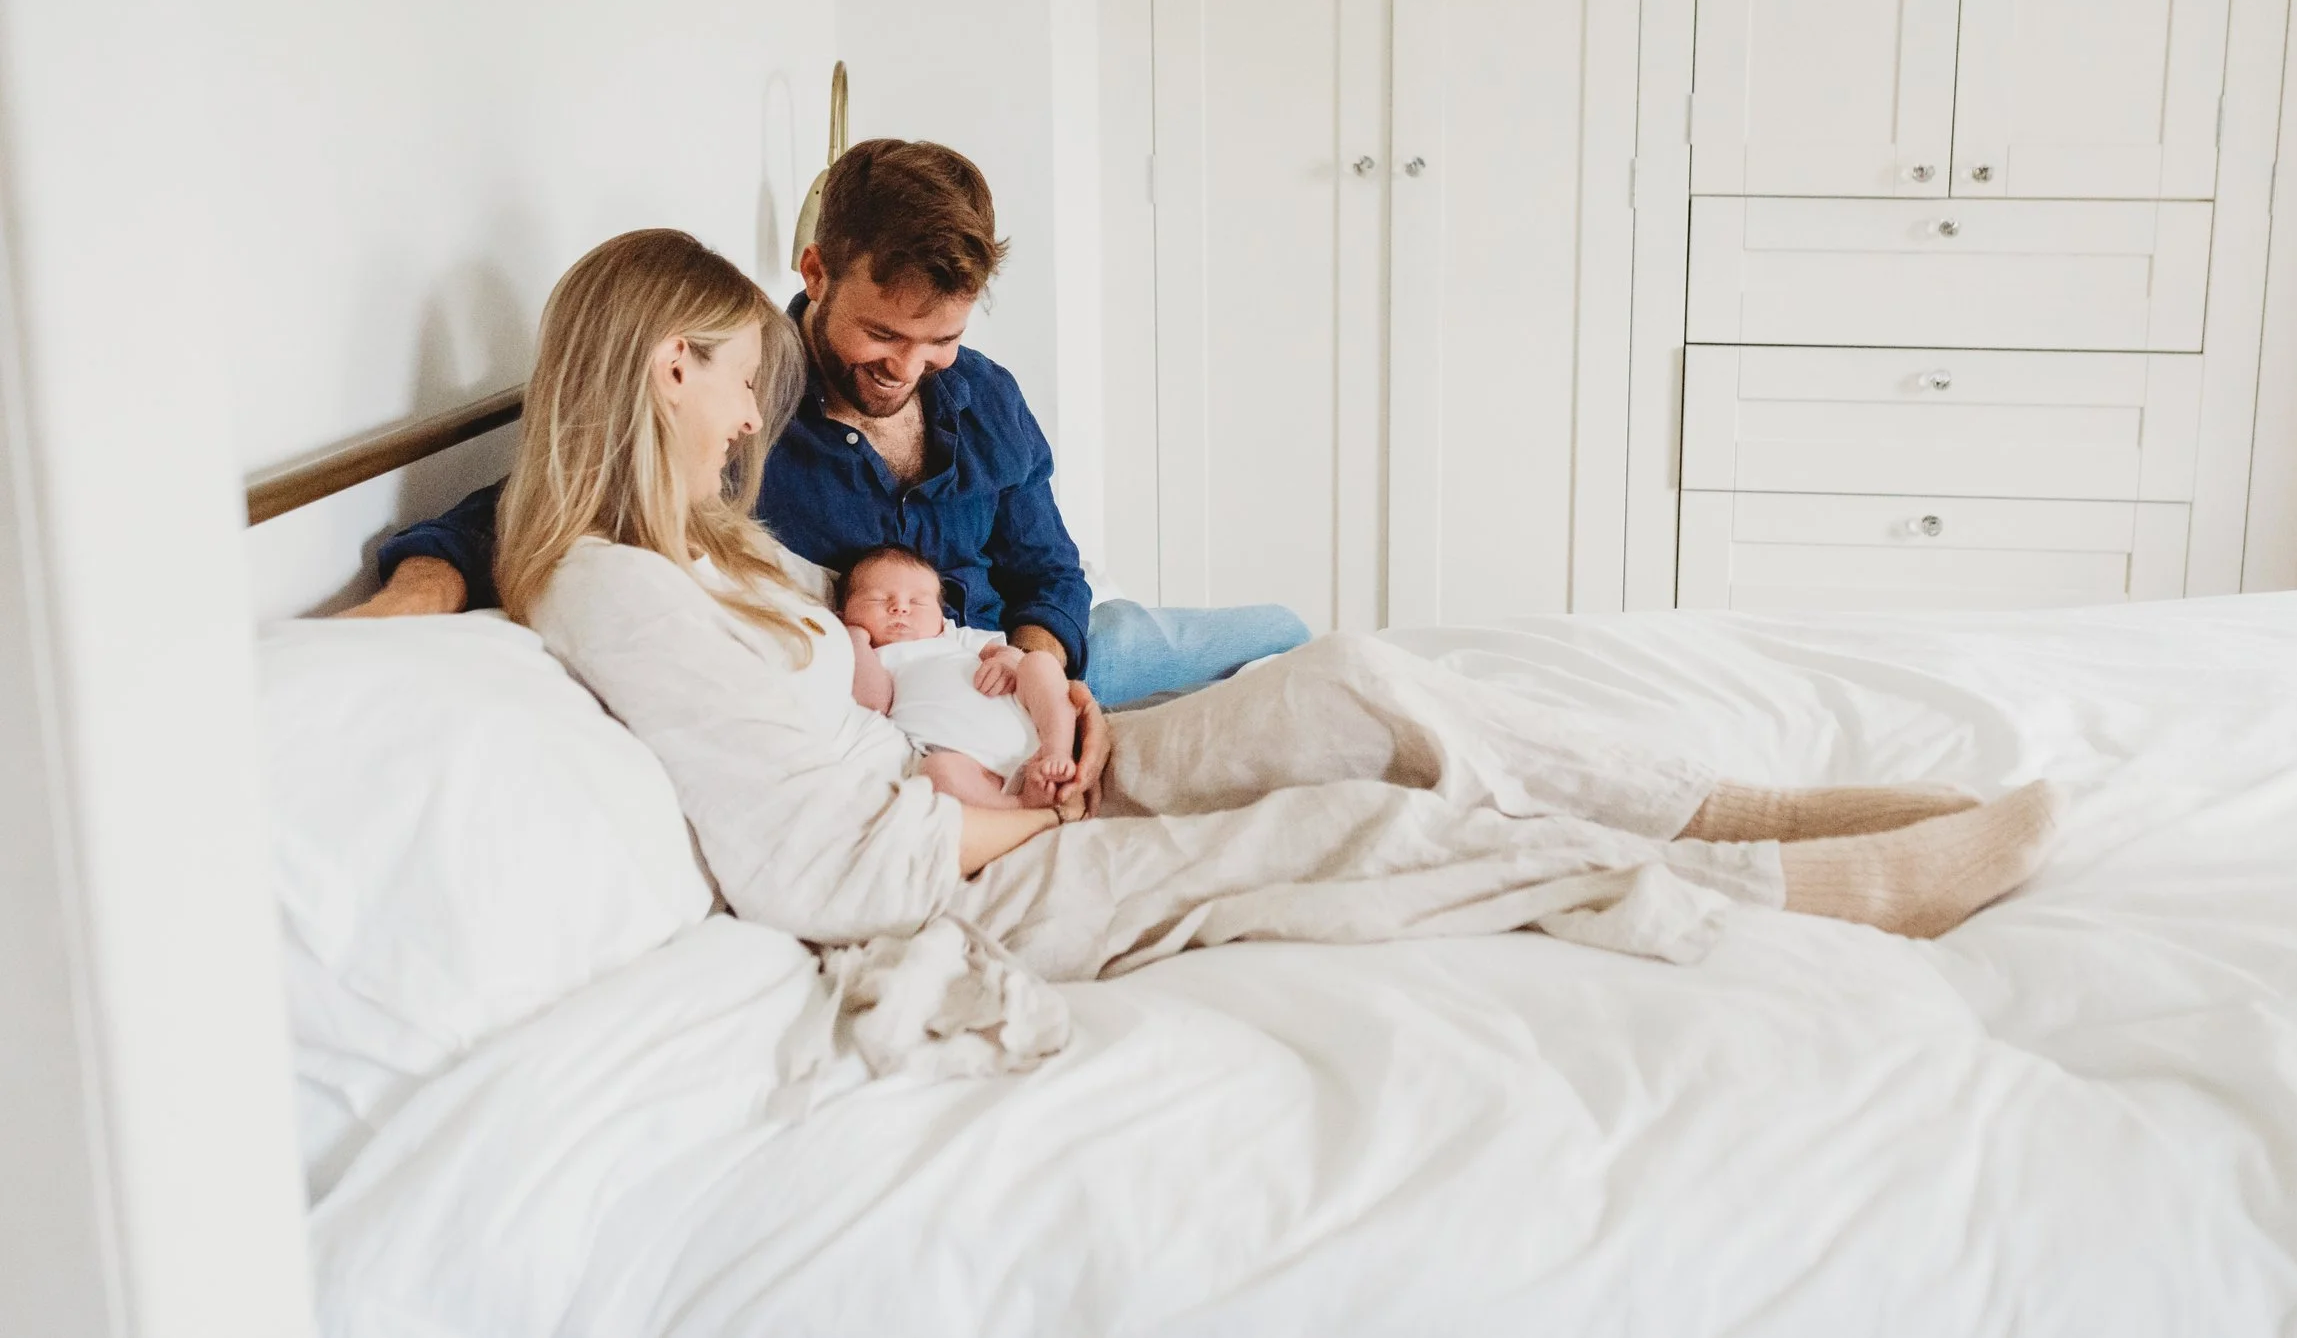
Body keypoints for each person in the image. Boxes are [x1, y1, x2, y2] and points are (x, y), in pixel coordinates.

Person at [496, 227, 2065, 987]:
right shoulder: (611, 589)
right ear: (666, 367)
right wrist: (1038, 822)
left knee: (1351, 683)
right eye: (734, 371)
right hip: (978, 872)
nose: (755, 402)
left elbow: (1019, 588)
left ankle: (1743, 807)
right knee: (1372, 828)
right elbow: (816, 858)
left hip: (1017, 761)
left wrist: (1045, 688)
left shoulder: (709, 542)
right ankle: (1803, 893)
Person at [342, 137, 1309, 709]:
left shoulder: (989, 397)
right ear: (815, 273)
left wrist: (1045, 672)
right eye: (884, 332)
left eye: (940, 340)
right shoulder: (735, 405)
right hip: (887, 702)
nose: (909, 367)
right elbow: (531, 504)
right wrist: (414, 595)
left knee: (1287, 633)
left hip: (1008, 666)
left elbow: (1048, 571)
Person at [838, 543, 1078, 812]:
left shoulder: (952, 636)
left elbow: (1003, 651)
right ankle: (1018, 805)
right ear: (843, 613)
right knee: (937, 772)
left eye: (917, 601)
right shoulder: (873, 658)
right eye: (879, 599)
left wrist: (1006, 660)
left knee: (1039, 662)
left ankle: (1058, 748)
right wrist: (855, 638)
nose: (900, 608)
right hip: (968, 765)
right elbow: (874, 702)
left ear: (941, 615)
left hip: (1025, 721)